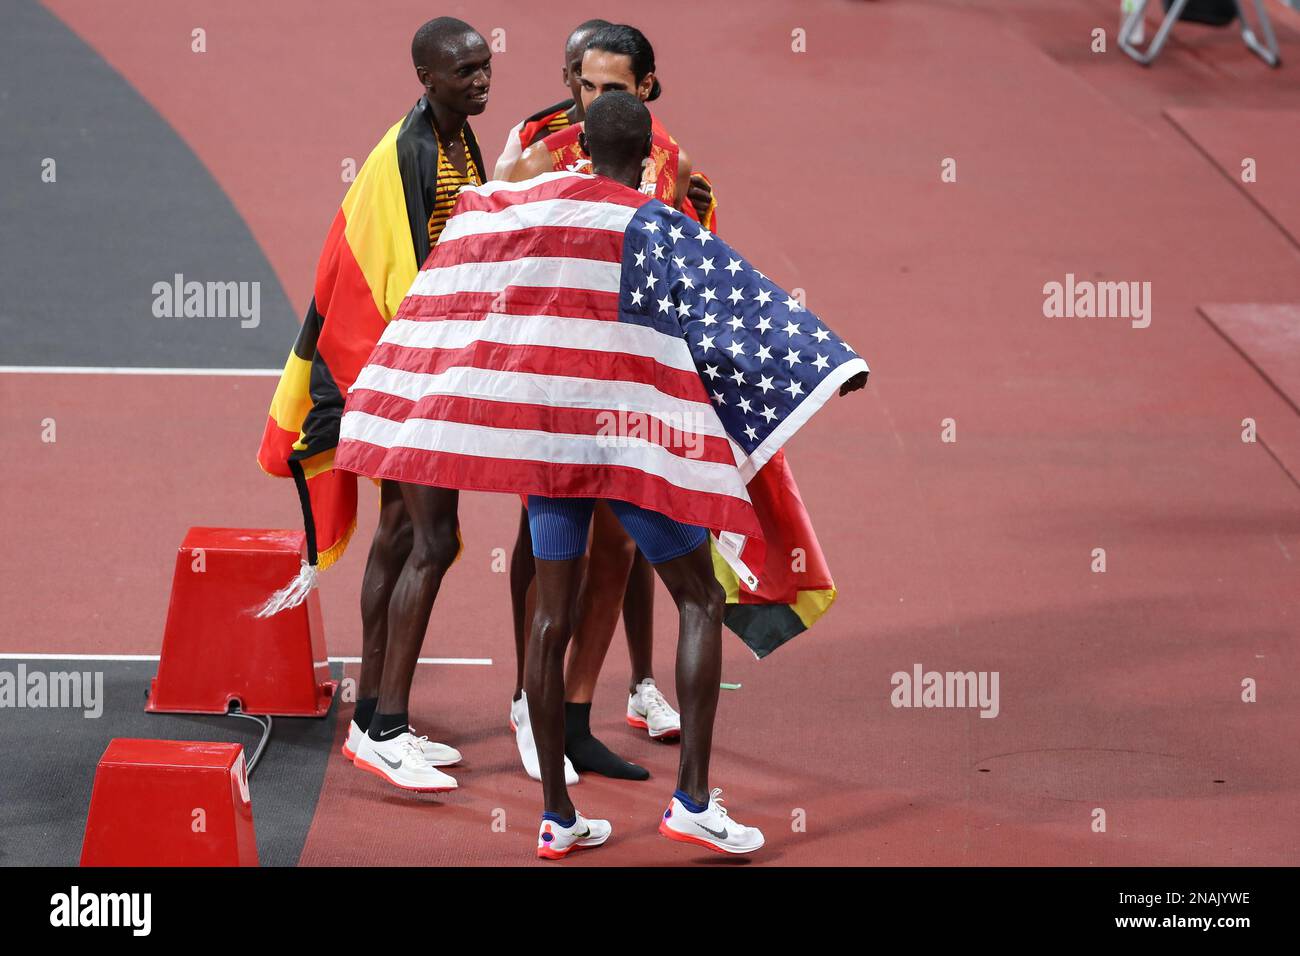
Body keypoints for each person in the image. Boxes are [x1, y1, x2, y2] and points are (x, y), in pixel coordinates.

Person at [332, 91, 869, 857]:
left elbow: (465, 244)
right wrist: (836, 365)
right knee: (701, 597)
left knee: (550, 624)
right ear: (649, 157)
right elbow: (746, 313)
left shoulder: (526, 205)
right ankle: (690, 800)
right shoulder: (656, 225)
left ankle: (556, 814)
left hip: (548, 453)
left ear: (579, 147)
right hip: (627, 449)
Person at [256, 17, 492, 793]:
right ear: (426, 76)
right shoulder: (411, 153)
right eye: (465, 72)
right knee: (434, 539)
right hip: (405, 370)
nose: (481, 81)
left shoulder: (459, 139)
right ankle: (386, 726)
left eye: (486, 67)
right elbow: (402, 274)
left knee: (398, 534)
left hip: (425, 364)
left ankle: (371, 722)